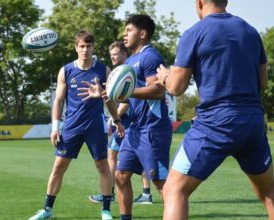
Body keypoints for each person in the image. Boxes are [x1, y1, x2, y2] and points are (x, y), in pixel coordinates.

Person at [156, 0, 274, 219]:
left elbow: (176, 87)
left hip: (215, 123)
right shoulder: (250, 31)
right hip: (252, 122)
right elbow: (263, 82)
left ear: (199, 2)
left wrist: (165, 77)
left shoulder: (194, 33)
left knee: (174, 189)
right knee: (269, 192)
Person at [79, 15, 172, 220]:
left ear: (143, 33)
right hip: (134, 131)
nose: (124, 33)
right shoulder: (130, 61)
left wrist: (125, 92)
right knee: (121, 177)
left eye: (129, 29)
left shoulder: (151, 57)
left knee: (161, 183)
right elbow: (125, 97)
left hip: (152, 129)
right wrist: (105, 93)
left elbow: (158, 91)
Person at [29, 31, 123, 220]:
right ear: (76, 48)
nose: (85, 50)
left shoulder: (103, 70)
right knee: (58, 167)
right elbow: (59, 100)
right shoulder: (66, 70)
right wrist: (55, 127)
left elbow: (110, 99)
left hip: (96, 126)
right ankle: (47, 209)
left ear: (93, 48)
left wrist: (117, 120)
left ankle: (105, 211)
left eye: (89, 46)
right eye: (82, 46)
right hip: (71, 127)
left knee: (103, 166)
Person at [88, 41, 154, 205]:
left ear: (125, 54)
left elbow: (127, 100)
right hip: (123, 122)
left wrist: (114, 117)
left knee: (121, 155)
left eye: (116, 54)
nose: (113, 57)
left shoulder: (129, 71)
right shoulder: (118, 72)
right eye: (111, 55)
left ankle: (111, 194)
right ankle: (136, 193)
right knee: (116, 154)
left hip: (130, 123)